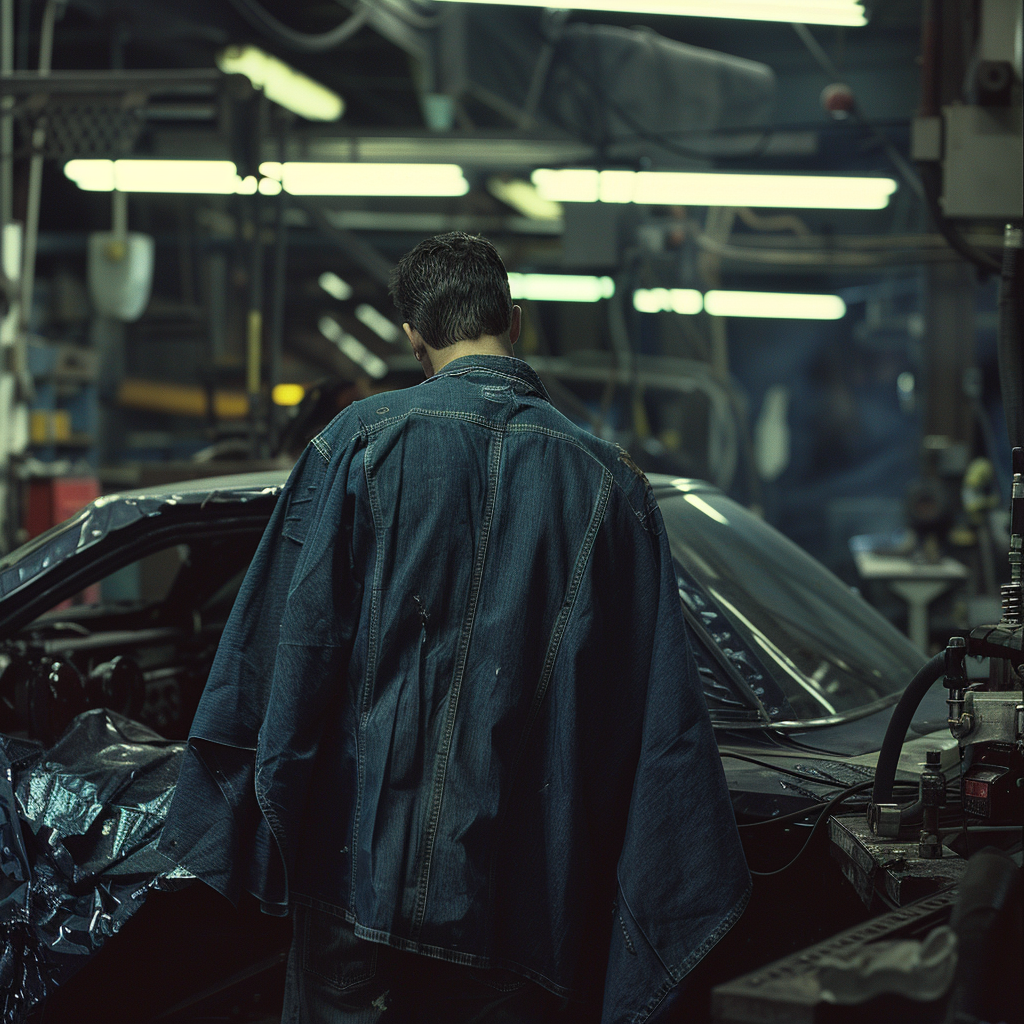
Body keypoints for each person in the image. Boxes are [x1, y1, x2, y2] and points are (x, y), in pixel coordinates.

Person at [159, 232, 750, 1022]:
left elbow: (283, 661)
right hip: (520, 904)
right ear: (516, 318)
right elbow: (655, 726)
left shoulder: (355, 445)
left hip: (354, 887)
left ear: (413, 337)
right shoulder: (612, 484)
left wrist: (257, 833)